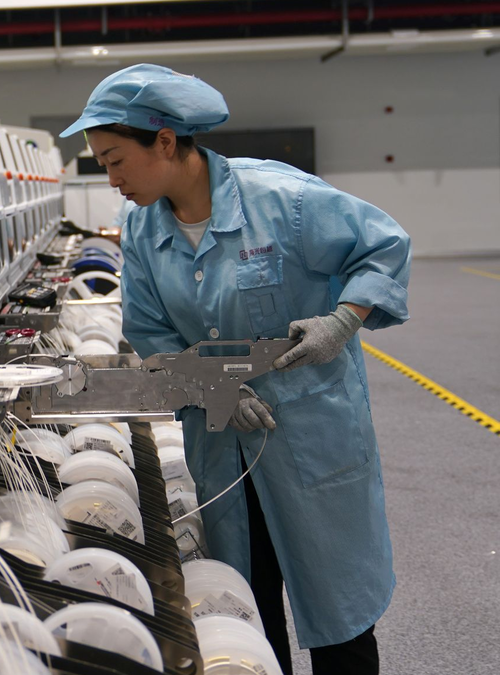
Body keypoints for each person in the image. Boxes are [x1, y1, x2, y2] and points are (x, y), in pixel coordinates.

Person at [60, 64, 411, 674]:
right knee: (244, 609)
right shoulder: (141, 229)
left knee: (339, 612)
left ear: (163, 142)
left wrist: (342, 321)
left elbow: (384, 246)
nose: (111, 179)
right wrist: (208, 387)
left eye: (116, 160)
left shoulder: (282, 200)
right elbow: (149, 330)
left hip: (309, 434)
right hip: (222, 438)